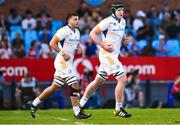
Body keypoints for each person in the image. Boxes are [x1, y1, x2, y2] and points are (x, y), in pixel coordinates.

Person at [29, 13, 91, 119]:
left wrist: (78, 48)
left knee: (54, 88)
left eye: (78, 19)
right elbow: (52, 43)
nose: (77, 21)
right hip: (62, 61)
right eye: (75, 19)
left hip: (68, 62)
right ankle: (77, 112)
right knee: (75, 84)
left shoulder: (77, 32)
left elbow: (75, 44)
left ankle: (34, 103)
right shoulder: (63, 30)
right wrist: (63, 53)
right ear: (68, 21)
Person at [80, 2, 132, 118]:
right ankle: (118, 109)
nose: (121, 12)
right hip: (107, 55)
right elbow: (92, 33)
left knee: (98, 82)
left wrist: (125, 39)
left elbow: (120, 35)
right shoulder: (107, 21)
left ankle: (80, 105)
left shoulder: (123, 21)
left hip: (113, 56)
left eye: (122, 10)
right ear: (113, 11)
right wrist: (102, 45)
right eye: (119, 10)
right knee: (123, 79)